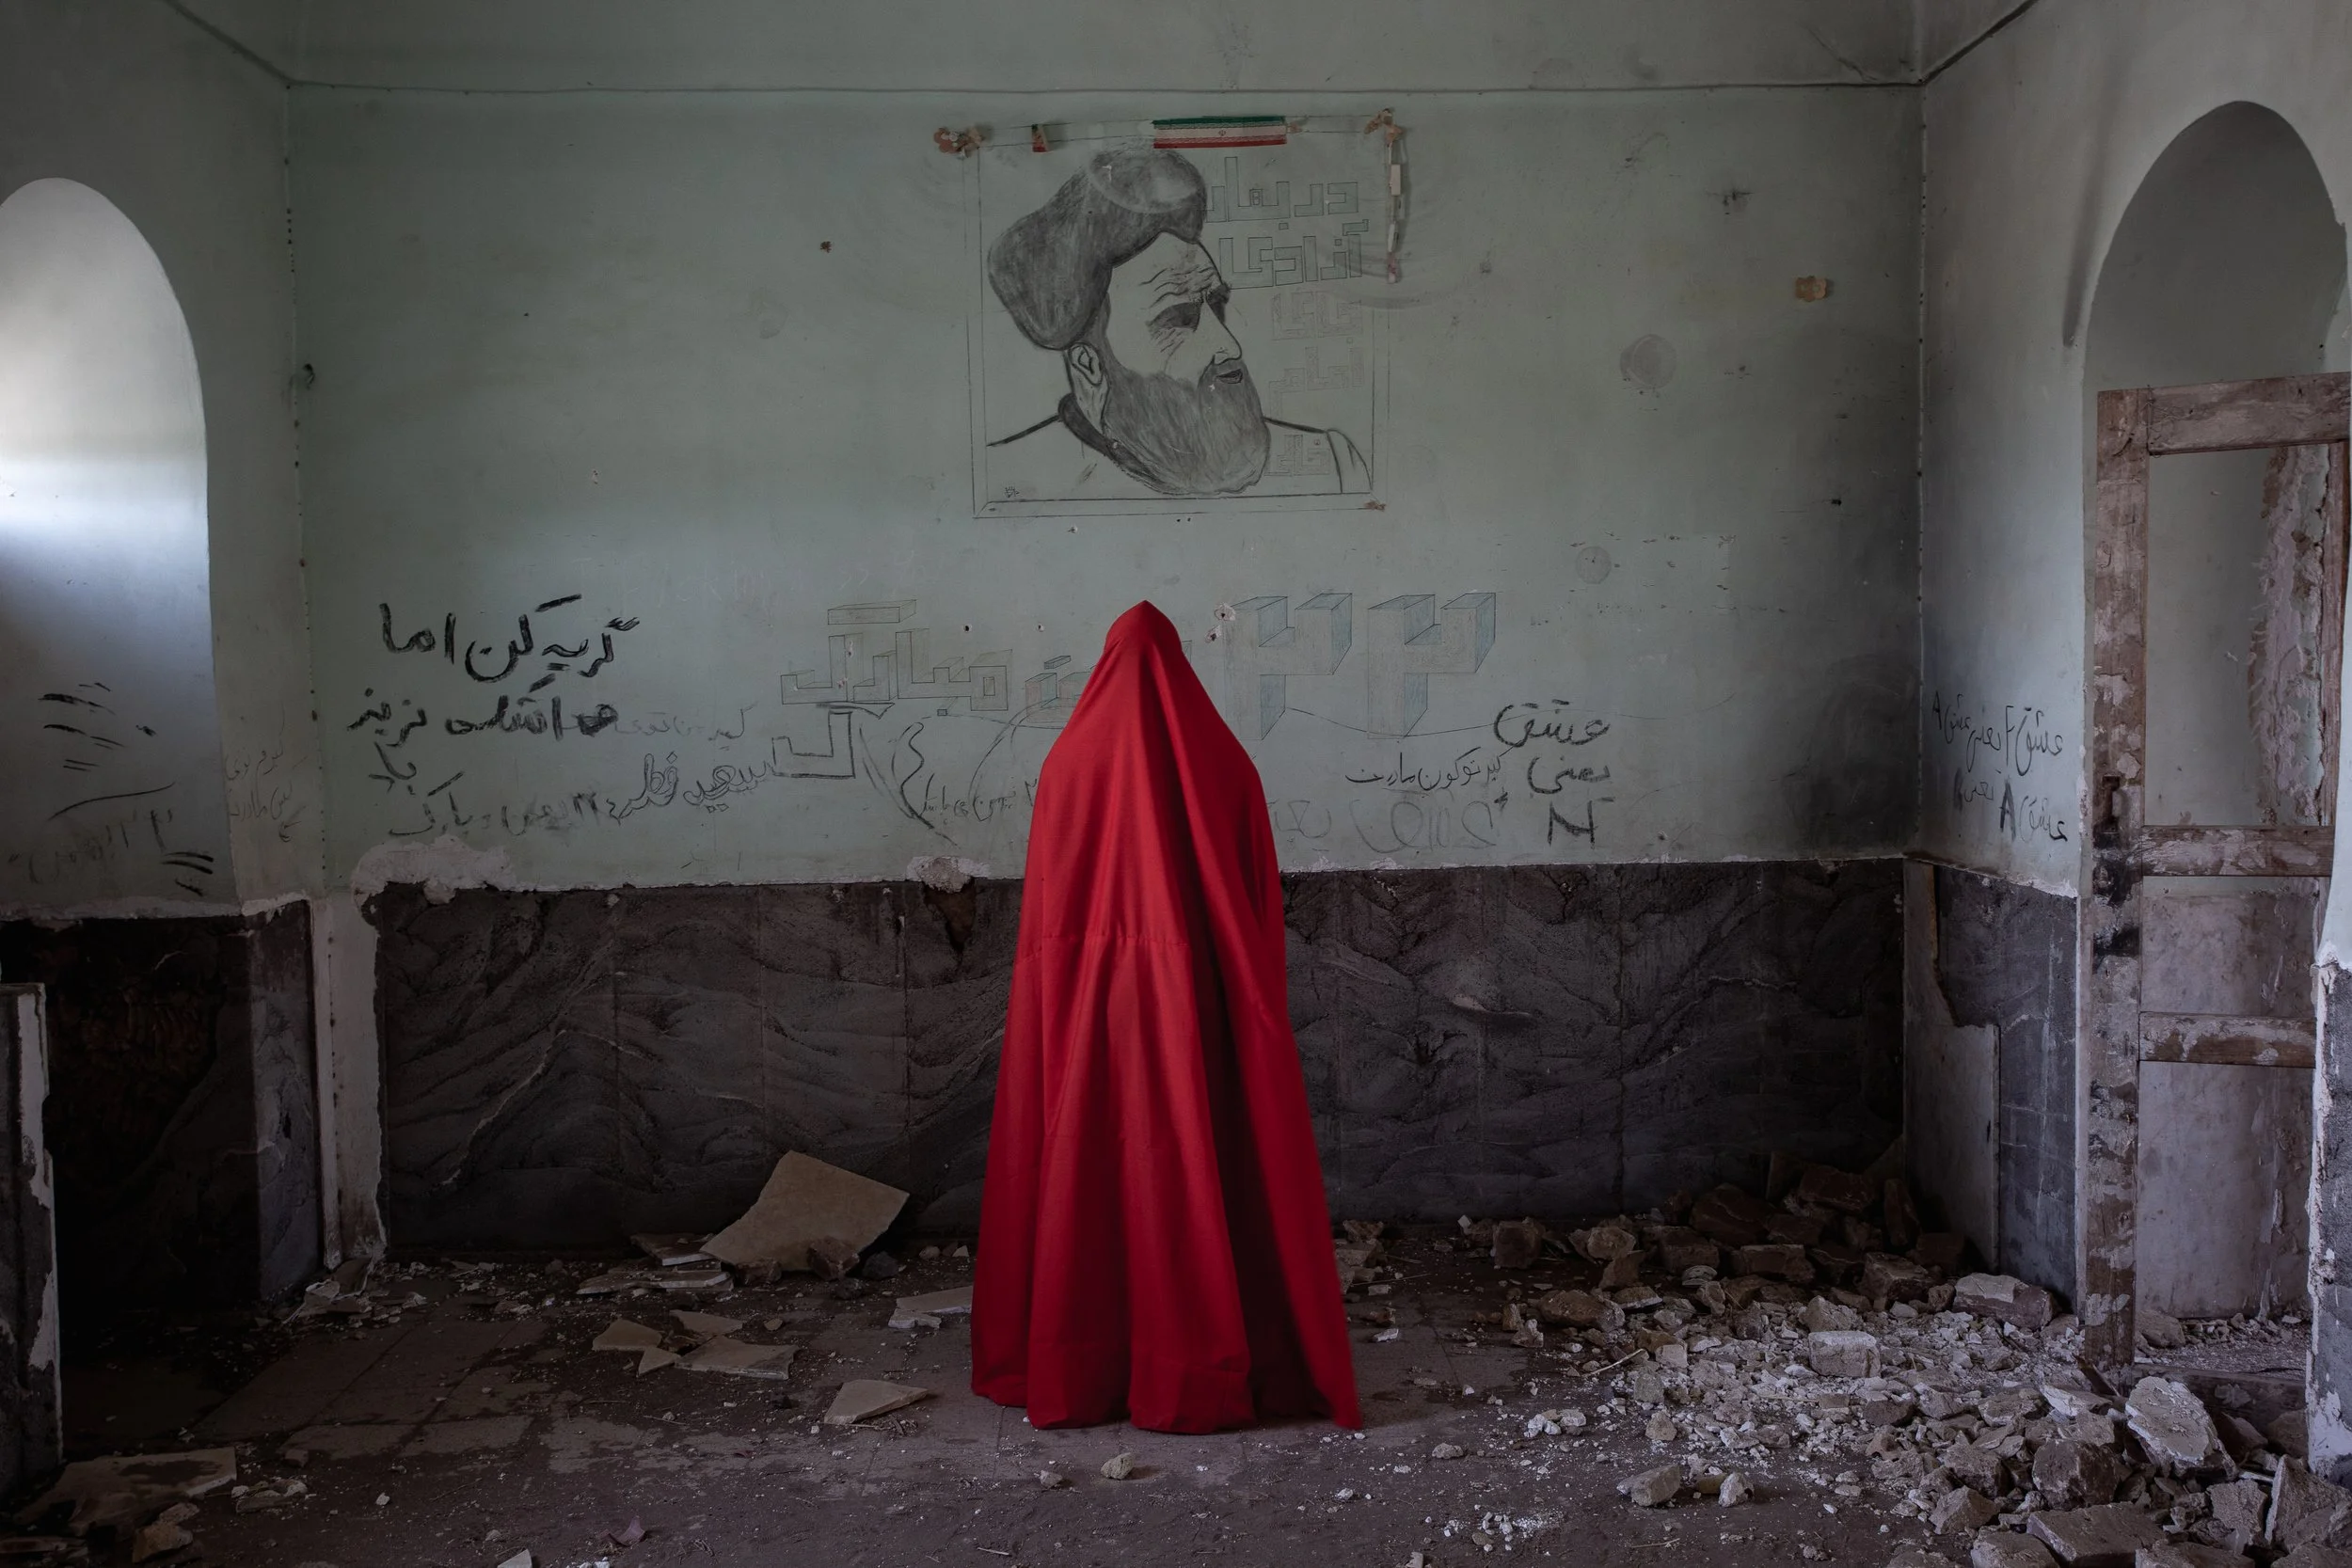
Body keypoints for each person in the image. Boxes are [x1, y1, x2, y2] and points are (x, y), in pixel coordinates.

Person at [970, 602, 1360, 1433]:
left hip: (1084, 1020)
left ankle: (1080, 1368)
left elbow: (1045, 929)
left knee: (1087, 1167)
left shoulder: (1069, 763)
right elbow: (1254, 908)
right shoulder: (1222, 762)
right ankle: (1193, 1361)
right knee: (1192, 1165)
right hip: (1196, 1015)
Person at [986, 147, 1370, 501]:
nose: (1229, 347)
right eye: (1180, 320)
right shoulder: (1013, 482)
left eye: (1215, 307)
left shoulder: (1333, 467)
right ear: (1090, 368)